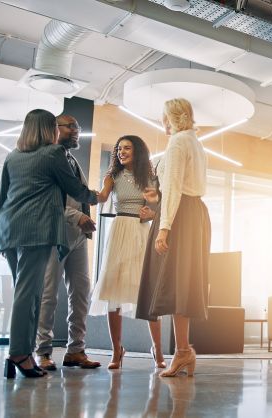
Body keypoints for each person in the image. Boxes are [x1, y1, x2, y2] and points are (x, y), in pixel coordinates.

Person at [0, 109, 98, 378]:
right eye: (57, 125)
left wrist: (0, 235)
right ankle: (20, 353)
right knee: (30, 295)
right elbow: (76, 191)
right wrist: (99, 196)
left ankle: (25, 353)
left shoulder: (12, 156)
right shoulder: (52, 153)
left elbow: (3, 196)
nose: (60, 130)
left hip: (10, 231)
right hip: (37, 232)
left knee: (28, 293)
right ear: (48, 128)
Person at [136, 98, 211, 378]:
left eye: (163, 115)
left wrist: (164, 227)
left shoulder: (178, 142)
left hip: (180, 216)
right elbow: (182, 186)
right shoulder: (196, 143)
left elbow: (174, 187)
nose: (162, 120)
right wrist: (159, 198)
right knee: (182, 283)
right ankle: (183, 351)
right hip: (194, 213)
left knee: (173, 282)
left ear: (170, 117)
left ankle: (182, 351)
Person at [89, 135, 165, 369]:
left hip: (141, 232)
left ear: (137, 151)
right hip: (119, 231)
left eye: (127, 148)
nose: (121, 152)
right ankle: (116, 350)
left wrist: (152, 213)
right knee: (113, 290)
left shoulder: (150, 178)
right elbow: (102, 197)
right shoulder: (112, 177)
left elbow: (159, 208)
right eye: (119, 148)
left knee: (147, 292)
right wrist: (85, 193)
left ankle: (158, 350)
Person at [35, 114, 101, 370]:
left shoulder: (71, 160)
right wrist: (77, 216)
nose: (76, 130)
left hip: (78, 238)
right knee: (48, 295)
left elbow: (79, 195)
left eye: (78, 126)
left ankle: (76, 350)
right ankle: (42, 352)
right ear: (55, 129)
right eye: (71, 126)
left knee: (81, 293)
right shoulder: (47, 159)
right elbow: (45, 201)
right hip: (54, 234)